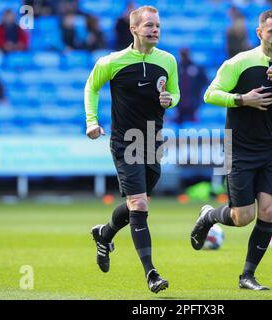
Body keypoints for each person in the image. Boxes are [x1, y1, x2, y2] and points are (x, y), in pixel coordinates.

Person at [190, 9, 272, 290]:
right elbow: (210, 94)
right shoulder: (239, 62)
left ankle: (247, 276)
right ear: (259, 32)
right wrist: (242, 99)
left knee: (268, 211)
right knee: (242, 217)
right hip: (238, 148)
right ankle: (209, 216)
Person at [84, 5, 180, 293]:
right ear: (134, 29)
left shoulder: (168, 61)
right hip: (125, 142)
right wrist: (92, 121)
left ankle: (104, 234)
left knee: (137, 203)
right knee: (139, 205)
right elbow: (91, 87)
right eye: (149, 25)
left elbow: (175, 93)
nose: (155, 30)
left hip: (153, 140)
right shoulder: (112, 62)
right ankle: (151, 273)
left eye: (158, 26)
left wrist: (170, 100)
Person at [176, 47, 208, 124]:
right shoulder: (176, 67)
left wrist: (198, 90)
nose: (184, 56)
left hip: (193, 102)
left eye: (185, 54)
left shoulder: (197, 67)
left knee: (193, 127)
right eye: (182, 54)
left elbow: (205, 81)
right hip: (179, 103)